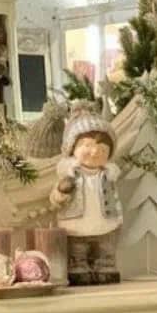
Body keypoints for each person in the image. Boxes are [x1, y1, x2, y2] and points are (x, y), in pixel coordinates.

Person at [50, 106, 122, 285]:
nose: (95, 152)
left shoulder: (108, 174)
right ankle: (78, 268)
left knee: (105, 248)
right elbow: (56, 198)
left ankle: (105, 267)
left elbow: (114, 198)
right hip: (76, 225)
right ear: (72, 148)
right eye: (87, 145)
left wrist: (119, 217)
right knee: (77, 249)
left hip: (105, 224)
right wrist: (60, 193)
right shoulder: (70, 174)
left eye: (102, 148)